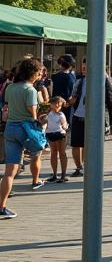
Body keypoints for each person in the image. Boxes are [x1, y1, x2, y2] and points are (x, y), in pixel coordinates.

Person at [0, 59, 48, 218]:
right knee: (38, 150)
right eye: (39, 72)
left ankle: (2, 205)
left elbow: (7, 106)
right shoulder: (30, 90)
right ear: (33, 73)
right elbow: (33, 113)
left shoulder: (10, 87)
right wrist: (41, 121)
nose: (40, 75)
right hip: (25, 129)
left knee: (9, 172)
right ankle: (35, 179)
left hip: (10, 128)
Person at [67, 60, 112, 177]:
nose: (83, 69)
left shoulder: (103, 80)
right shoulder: (79, 81)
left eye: (86, 67)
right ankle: (79, 167)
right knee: (75, 144)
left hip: (95, 118)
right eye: (83, 67)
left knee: (88, 145)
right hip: (78, 116)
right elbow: (73, 98)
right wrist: (67, 102)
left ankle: (86, 166)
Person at [45, 96, 69, 183]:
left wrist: (65, 126)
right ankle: (55, 174)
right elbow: (45, 123)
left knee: (62, 153)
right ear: (51, 104)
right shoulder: (48, 114)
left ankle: (63, 175)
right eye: (55, 103)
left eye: (59, 103)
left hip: (60, 134)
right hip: (51, 134)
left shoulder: (61, 115)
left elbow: (64, 126)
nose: (57, 105)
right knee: (53, 153)